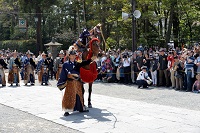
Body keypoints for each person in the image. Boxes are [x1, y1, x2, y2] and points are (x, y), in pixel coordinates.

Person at [57, 50, 94, 116]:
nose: (73, 56)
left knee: (79, 95)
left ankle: (81, 108)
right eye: (72, 55)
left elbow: (85, 62)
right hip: (70, 83)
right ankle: (67, 110)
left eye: (74, 55)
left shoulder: (77, 63)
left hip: (77, 82)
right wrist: (62, 81)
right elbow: (63, 74)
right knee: (69, 96)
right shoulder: (65, 64)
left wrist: (92, 59)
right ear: (69, 56)